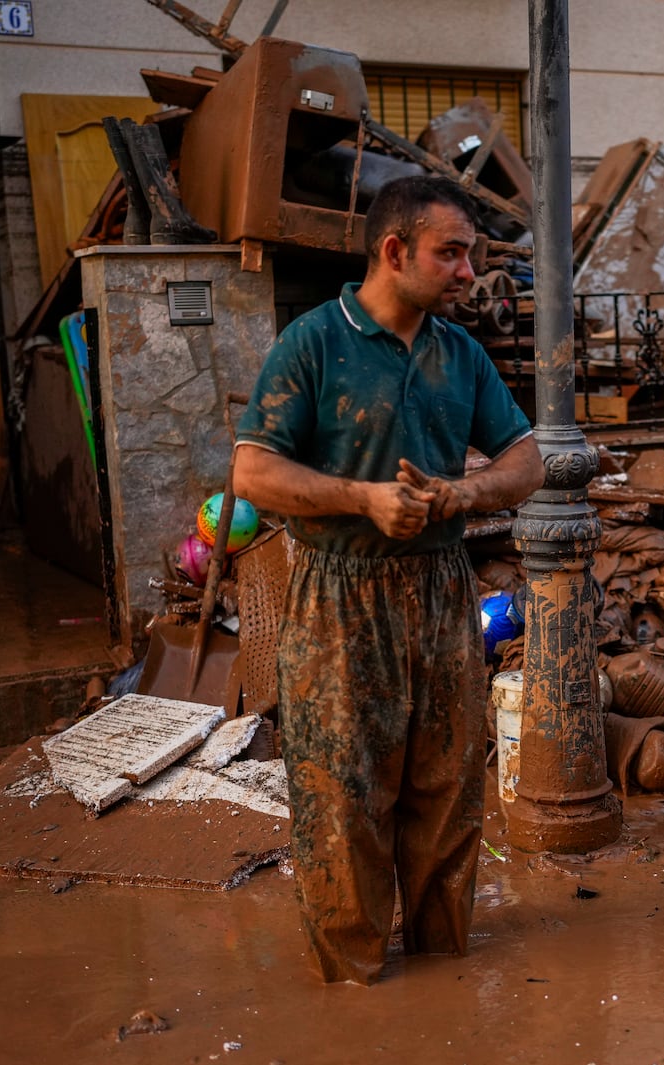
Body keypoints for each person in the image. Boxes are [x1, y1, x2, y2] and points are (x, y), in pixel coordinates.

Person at [233, 176, 543, 985]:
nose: (468, 271)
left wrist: (464, 494)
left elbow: (527, 459)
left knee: (446, 794)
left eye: (470, 254)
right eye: (451, 253)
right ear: (394, 251)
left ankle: (443, 978)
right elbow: (252, 472)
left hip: (441, 588)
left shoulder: (459, 353)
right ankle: (356, 985)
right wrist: (362, 499)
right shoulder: (313, 343)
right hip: (340, 593)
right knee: (343, 800)